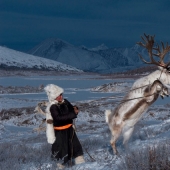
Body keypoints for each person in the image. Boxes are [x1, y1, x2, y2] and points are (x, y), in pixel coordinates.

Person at [44, 84, 85, 169]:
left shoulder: (65, 102)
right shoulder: (53, 107)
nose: (60, 97)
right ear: (54, 97)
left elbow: (70, 109)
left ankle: (82, 166)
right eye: (58, 95)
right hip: (60, 133)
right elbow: (58, 118)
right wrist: (73, 114)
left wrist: (75, 108)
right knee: (61, 153)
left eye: (61, 94)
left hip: (70, 130)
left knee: (76, 149)